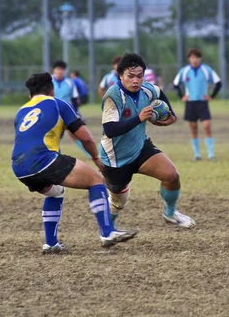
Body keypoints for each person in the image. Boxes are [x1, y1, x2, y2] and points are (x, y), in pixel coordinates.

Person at [11, 72, 138, 254]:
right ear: (52, 90)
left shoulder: (21, 111)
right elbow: (85, 138)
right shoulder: (58, 103)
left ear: (30, 95)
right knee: (96, 180)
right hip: (43, 160)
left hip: (19, 167)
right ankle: (107, 231)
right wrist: (96, 158)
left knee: (56, 192)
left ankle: (51, 243)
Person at [100, 53, 196, 229]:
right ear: (120, 75)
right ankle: (107, 231)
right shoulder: (112, 96)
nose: (135, 81)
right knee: (118, 203)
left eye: (139, 76)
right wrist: (139, 118)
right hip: (115, 157)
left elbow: (160, 96)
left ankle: (170, 213)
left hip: (140, 147)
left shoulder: (148, 89)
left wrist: (170, 116)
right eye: (130, 76)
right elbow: (110, 130)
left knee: (171, 176)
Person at [173, 48, 222, 161]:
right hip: (190, 103)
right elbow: (175, 84)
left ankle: (210, 154)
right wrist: (182, 96)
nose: (195, 60)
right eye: (192, 57)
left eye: (197, 57)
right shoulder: (184, 71)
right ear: (189, 59)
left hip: (202, 103)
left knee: (207, 127)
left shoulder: (206, 70)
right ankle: (197, 155)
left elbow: (218, 83)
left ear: (200, 59)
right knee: (193, 129)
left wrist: (212, 96)